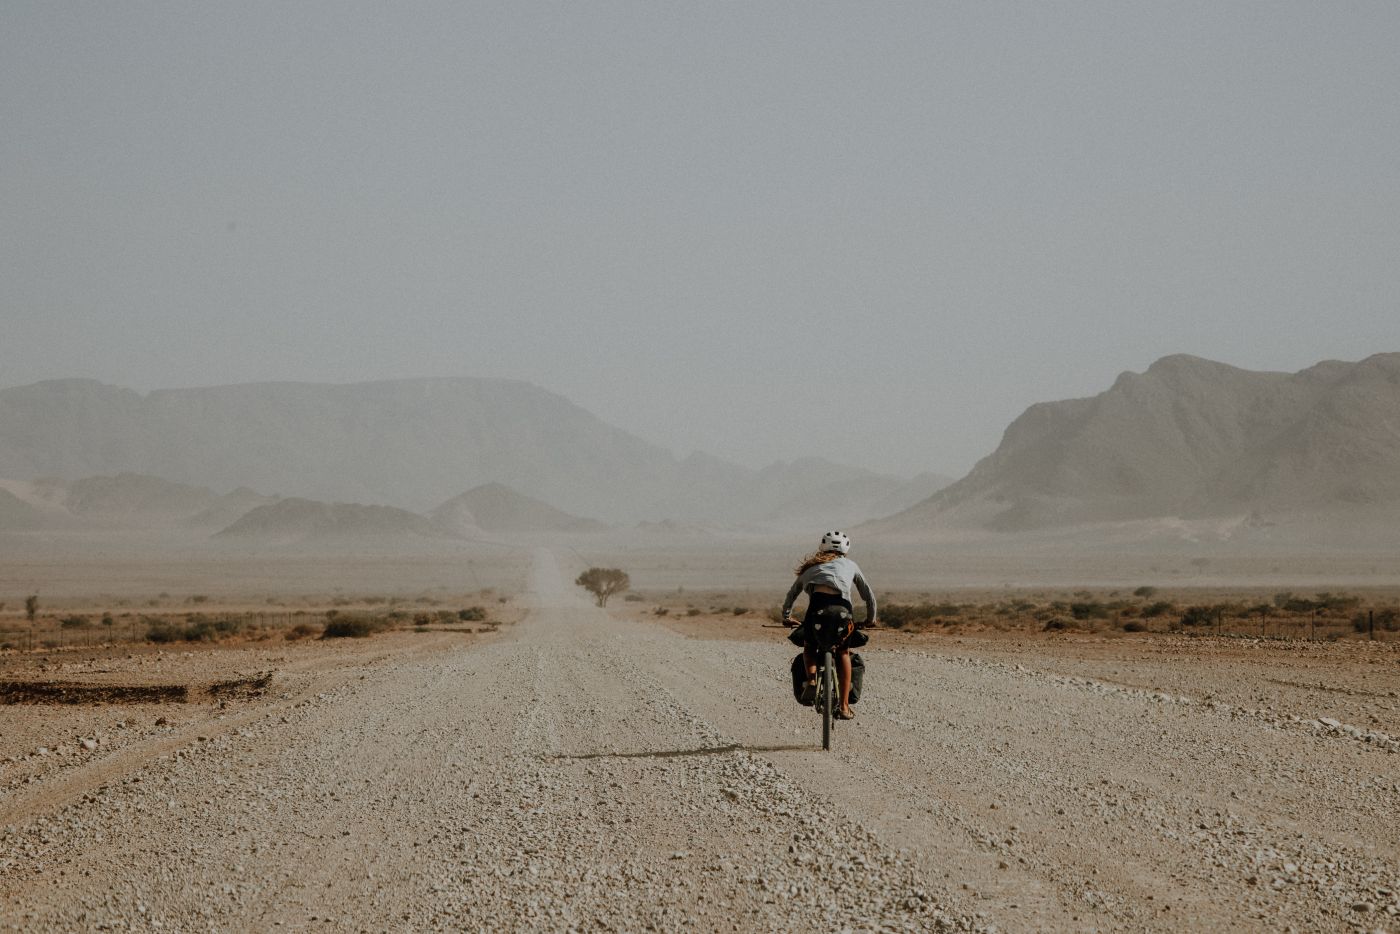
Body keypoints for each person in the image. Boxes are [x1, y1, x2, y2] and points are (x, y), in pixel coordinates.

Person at [781, 530, 876, 720]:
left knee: (809, 647)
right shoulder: (850, 565)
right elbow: (868, 595)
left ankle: (812, 679)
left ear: (822, 546)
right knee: (842, 652)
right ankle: (843, 706)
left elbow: (791, 595)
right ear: (846, 549)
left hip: (816, 612)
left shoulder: (810, 568)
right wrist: (871, 619)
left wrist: (786, 616)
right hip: (842, 612)